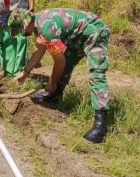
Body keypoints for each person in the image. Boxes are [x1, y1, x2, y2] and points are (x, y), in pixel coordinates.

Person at [11, 8, 111, 143]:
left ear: (26, 23)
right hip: (78, 36)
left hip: (94, 31)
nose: (24, 34)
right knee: (68, 60)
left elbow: (59, 62)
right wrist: (25, 73)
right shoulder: (38, 24)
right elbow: (39, 51)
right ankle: (55, 95)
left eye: (22, 31)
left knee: (96, 74)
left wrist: (51, 82)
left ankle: (101, 125)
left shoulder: (46, 28)